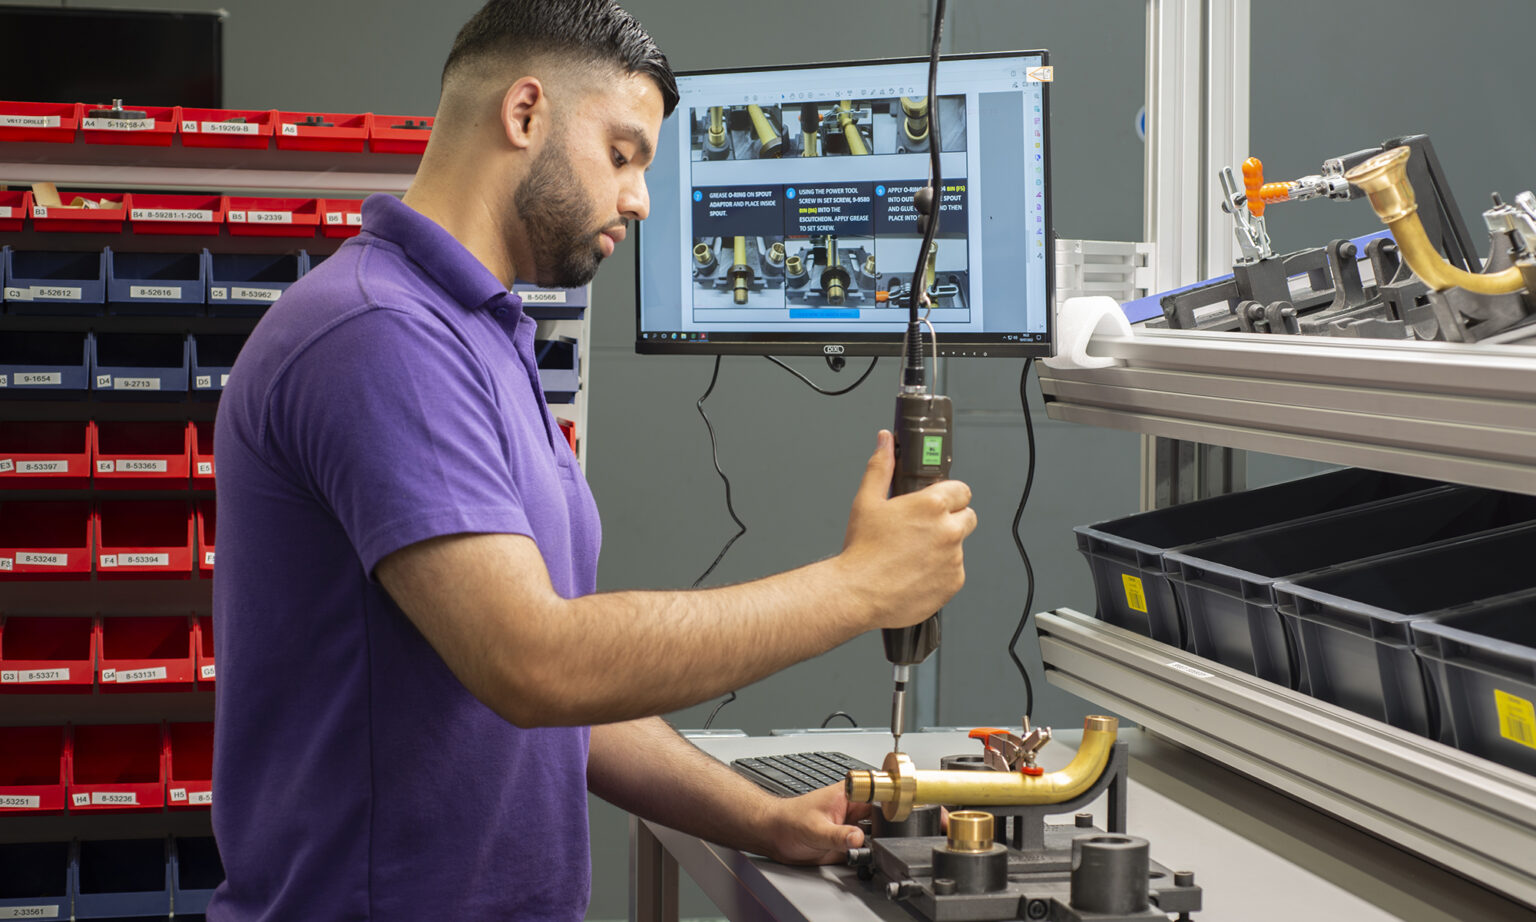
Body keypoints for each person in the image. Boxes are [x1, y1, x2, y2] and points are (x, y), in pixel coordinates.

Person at [209, 1, 976, 919]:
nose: (641, 198)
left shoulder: (481, 333)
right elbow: (536, 663)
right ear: (524, 113)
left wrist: (761, 818)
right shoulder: (381, 335)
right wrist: (859, 588)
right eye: (622, 154)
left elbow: (570, 698)